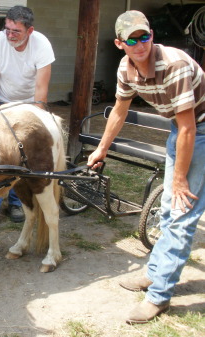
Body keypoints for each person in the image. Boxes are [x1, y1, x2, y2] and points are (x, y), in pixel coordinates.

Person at [87, 10, 205, 324]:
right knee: (168, 210)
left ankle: (159, 296)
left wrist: (179, 178)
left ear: (151, 34)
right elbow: (119, 112)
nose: (140, 44)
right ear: (119, 43)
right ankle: (155, 274)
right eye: (132, 39)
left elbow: (190, 129)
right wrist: (101, 148)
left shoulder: (174, 65)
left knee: (181, 215)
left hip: (199, 132)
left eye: (145, 36)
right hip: (181, 131)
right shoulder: (126, 68)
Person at [0, 5, 55, 230]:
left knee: (23, 156)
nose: (10, 35)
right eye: (7, 29)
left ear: (29, 31)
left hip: (29, 105)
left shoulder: (42, 45)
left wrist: (34, 117)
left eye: (16, 32)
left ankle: (15, 203)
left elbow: (42, 87)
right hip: (2, 102)